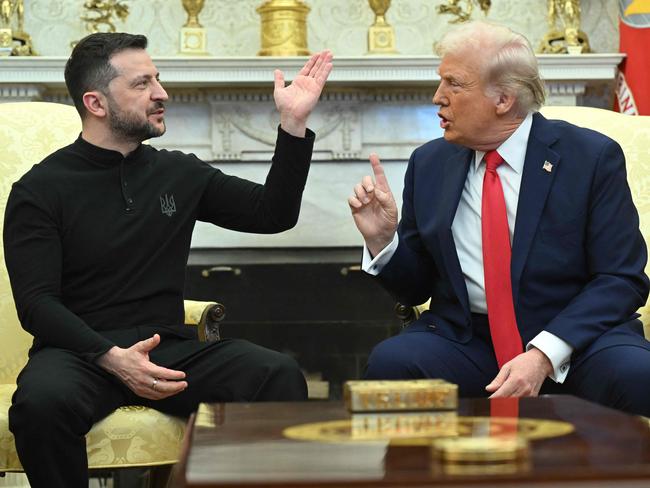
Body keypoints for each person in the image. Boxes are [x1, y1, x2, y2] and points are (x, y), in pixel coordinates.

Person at [4, 32, 332, 487]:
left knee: (275, 374)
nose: (162, 94)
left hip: (168, 350)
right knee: (39, 404)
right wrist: (111, 357)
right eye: (142, 84)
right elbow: (37, 304)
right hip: (81, 355)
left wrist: (293, 125)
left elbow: (272, 214)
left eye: (157, 79)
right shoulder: (39, 190)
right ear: (96, 103)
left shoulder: (178, 172)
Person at [349, 21, 650, 416]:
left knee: (639, 374)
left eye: (454, 84)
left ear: (504, 99)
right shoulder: (430, 163)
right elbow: (415, 288)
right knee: (392, 365)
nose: (438, 98)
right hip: (468, 339)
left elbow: (621, 278)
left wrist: (544, 353)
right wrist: (383, 241)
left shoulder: (590, 157)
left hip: (579, 340)